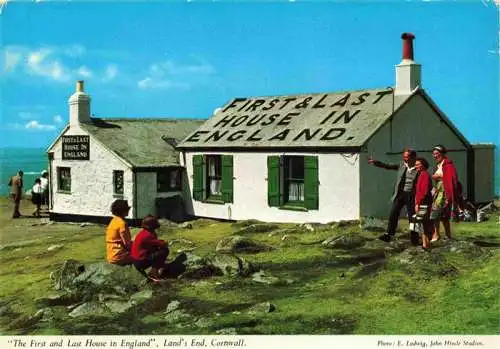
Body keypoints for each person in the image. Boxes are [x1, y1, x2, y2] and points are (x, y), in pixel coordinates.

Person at [368, 149, 418, 242]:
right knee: (393, 214)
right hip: (400, 193)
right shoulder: (402, 165)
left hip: (412, 195)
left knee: (413, 217)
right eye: (404, 156)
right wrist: (376, 162)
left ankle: (414, 237)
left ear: (413, 157)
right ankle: (389, 234)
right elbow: (388, 166)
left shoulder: (418, 168)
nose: (404, 158)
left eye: (406, 157)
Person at [430, 145, 460, 242]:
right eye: (433, 154)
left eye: (436, 154)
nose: (434, 156)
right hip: (438, 191)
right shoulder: (438, 165)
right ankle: (438, 234)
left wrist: (439, 177)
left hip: (445, 192)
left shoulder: (448, 165)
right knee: (438, 213)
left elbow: (451, 179)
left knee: (439, 214)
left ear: (442, 153)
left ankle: (443, 235)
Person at [131, 215, 169, 282]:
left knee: (157, 250)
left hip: (137, 259)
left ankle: (156, 268)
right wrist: (164, 243)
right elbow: (163, 244)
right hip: (140, 261)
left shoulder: (143, 232)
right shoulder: (148, 235)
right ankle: (153, 273)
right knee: (164, 251)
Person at [414, 157, 434, 249]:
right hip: (423, 202)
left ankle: (425, 243)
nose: (416, 166)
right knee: (422, 223)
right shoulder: (421, 174)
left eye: (418, 164)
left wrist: (418, 203)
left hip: (423, 203)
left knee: (422, 222)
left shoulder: (424, 175)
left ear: (423, 165)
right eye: (416, 164)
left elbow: (424, 191)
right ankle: (425, 243)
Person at [105, 199, 133, 265]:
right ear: (123, 211)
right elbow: (127, 244)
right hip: (119, 256)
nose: (128, 210)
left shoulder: (113, 221)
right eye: (127, 209)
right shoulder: (122, 224)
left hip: (111, 254)